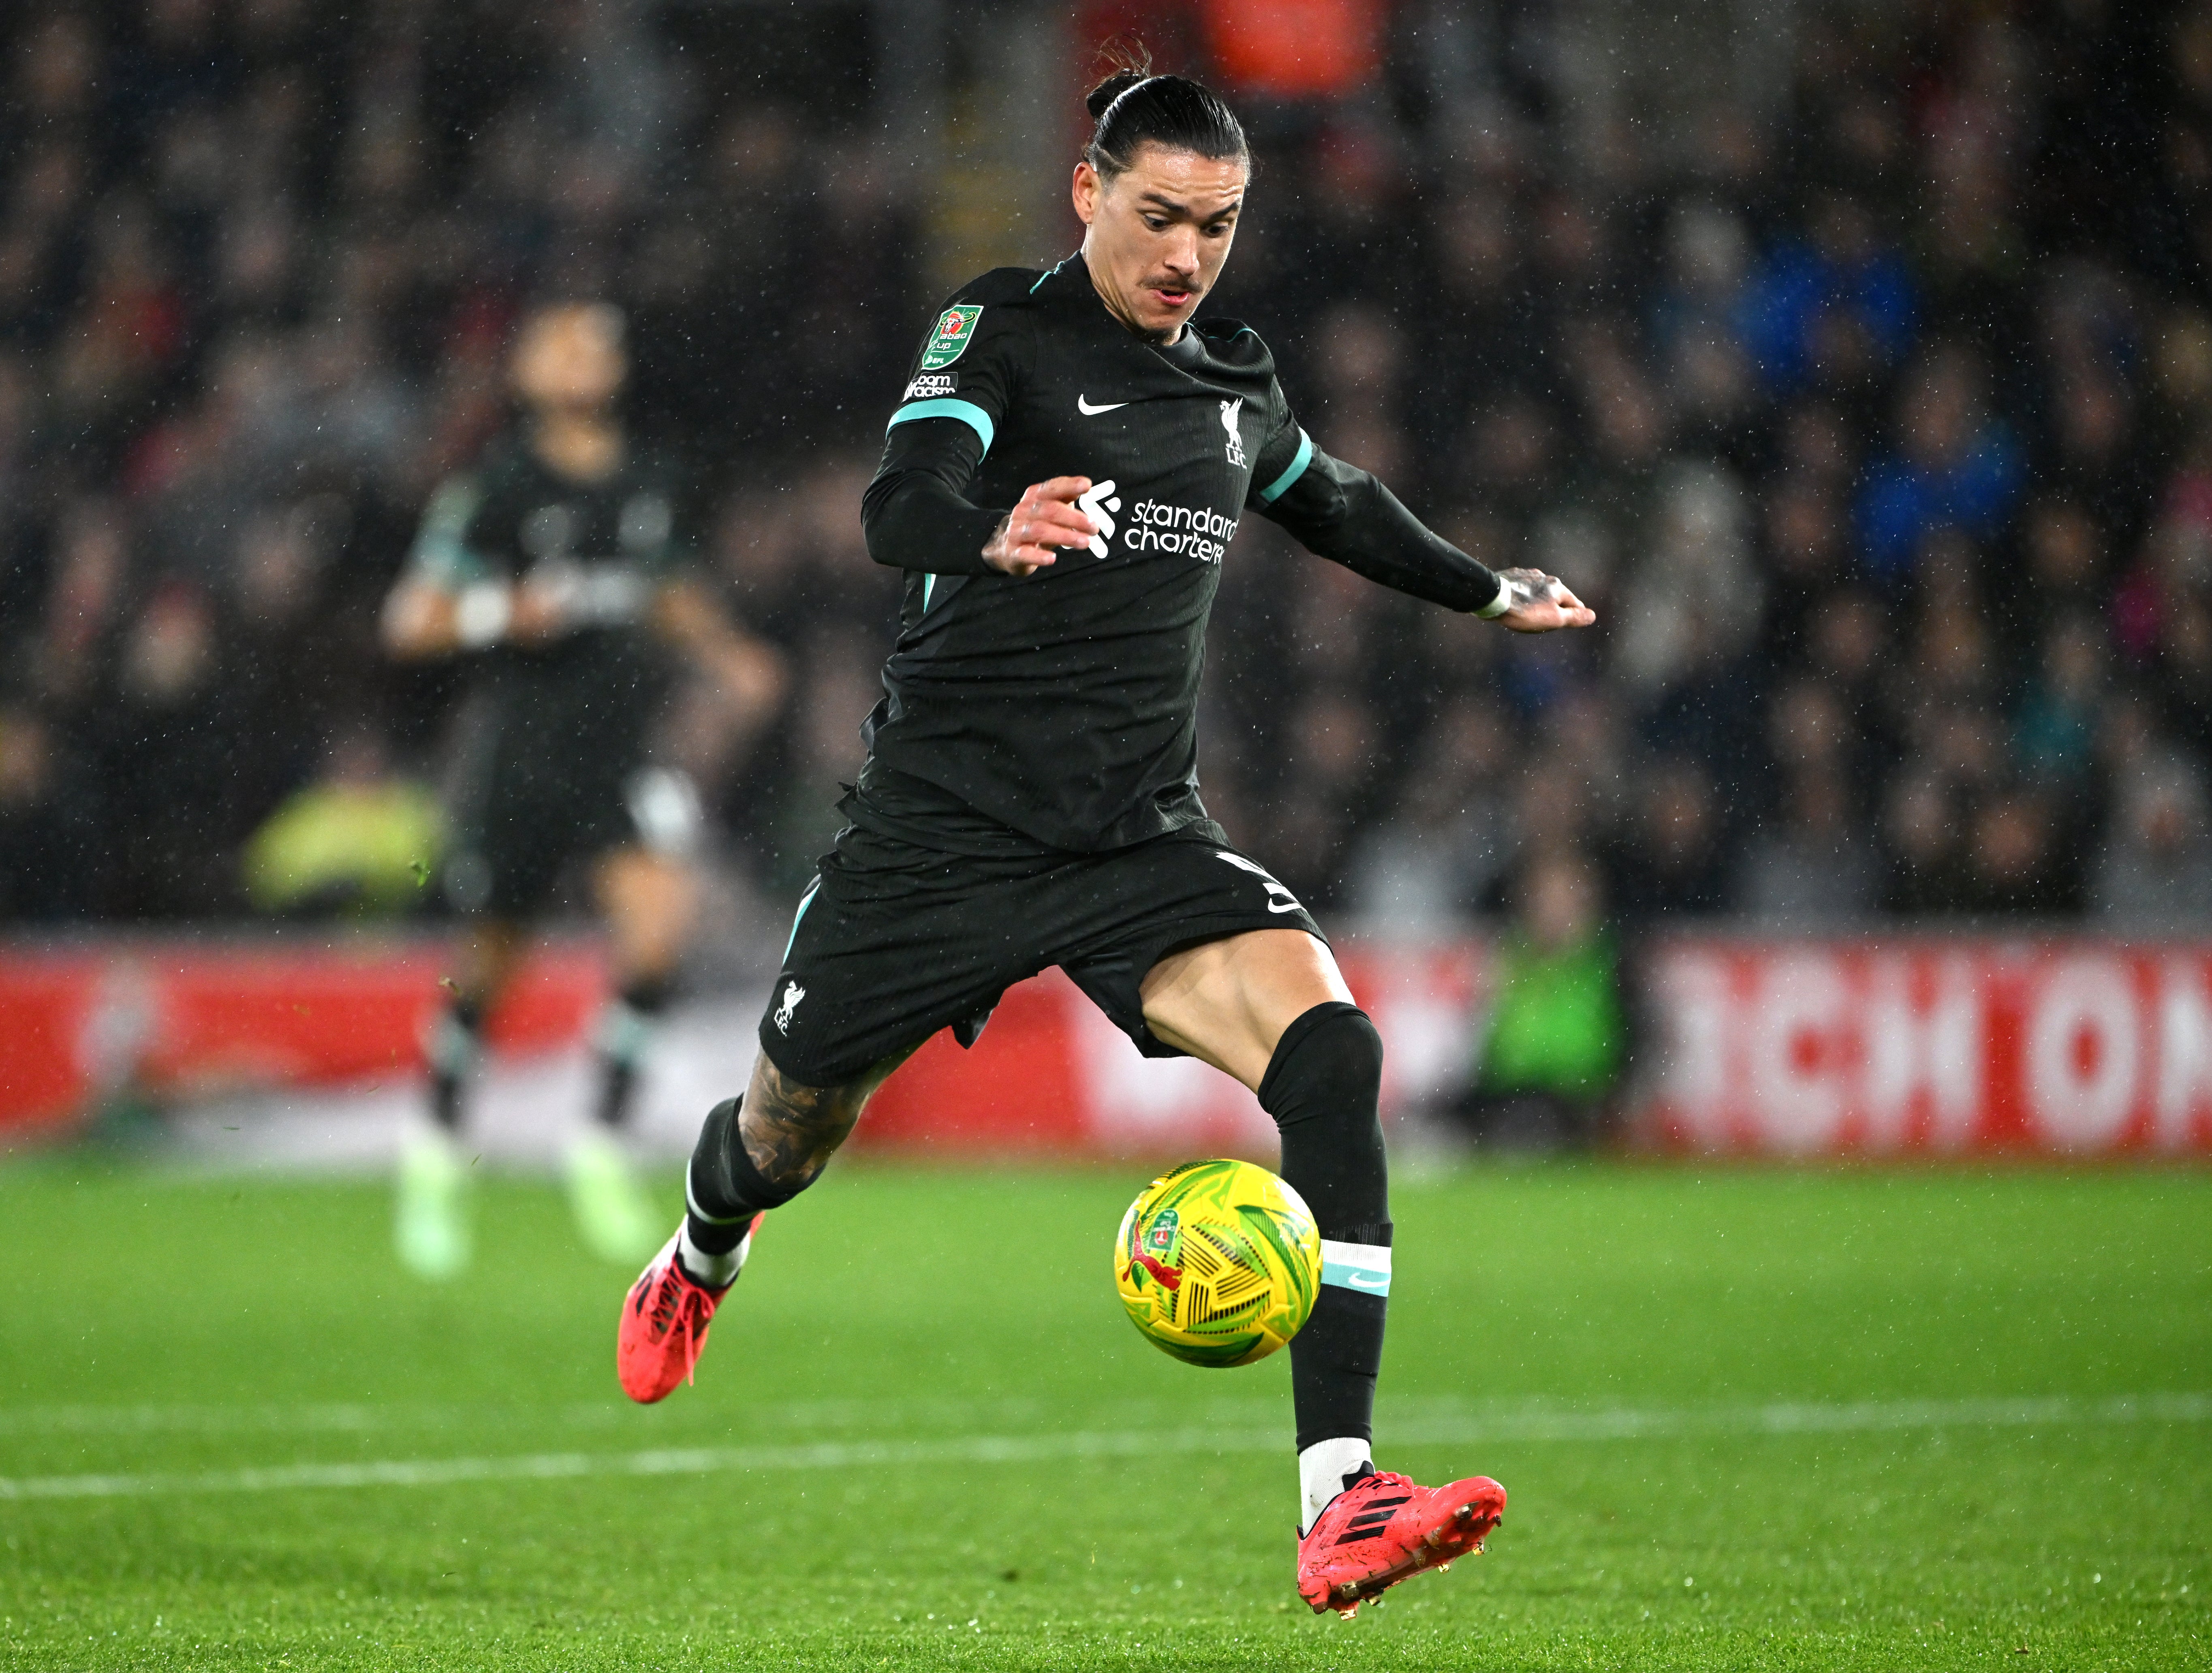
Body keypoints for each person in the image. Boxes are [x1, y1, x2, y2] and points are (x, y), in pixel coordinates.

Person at [614, 65, 1594, 1617]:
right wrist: (986, 529)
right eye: (1157, 217)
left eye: (1216, 224)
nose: (1186, 253)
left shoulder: (1233, 382)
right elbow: (898, 498)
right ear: (1088, 194)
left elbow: (1328, 497)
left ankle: (1338, 1493)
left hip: (1135, 836)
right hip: (937, 839)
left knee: (1334, 1054)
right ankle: (701, 1247)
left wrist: (1483, 588)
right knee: (785, 1133)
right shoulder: (1001, 329)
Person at [381, 300, 782, 1280]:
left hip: (620, 750)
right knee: (488, 965)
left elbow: (666, 588)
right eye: (564, 342)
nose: (586, 358)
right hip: (519, 755)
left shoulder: (650, 481)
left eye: (600, 342)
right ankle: (434, 1149)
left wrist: (730, 656)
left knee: (659, 931)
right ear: (526, 372)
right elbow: (409, 620)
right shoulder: (498, 489)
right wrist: (498, 609)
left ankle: (598, 1139)